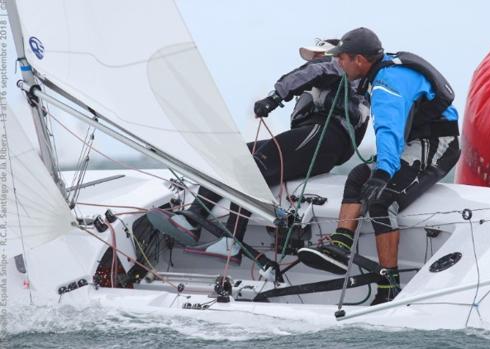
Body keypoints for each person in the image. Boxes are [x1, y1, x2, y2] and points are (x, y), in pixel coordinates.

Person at [297, 28, 461, 305]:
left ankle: (389, 285)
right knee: (359, 175)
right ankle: (341, 245)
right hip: (415, 142)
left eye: (343, 59)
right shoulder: (383, 70)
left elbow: (389, 130)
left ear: (360, 60)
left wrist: (384, 172)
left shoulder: (387, 84)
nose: (339, 64)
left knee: (382, 201)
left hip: (437, 145)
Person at [175, 38, 370, 264]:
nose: (313, 61)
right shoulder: (327, 80)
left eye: (318, 55)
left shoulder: (337, 68)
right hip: (314, 138)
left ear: (334, 56)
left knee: (253, 167)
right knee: (235, 155)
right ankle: (195, 216)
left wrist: (274, 98)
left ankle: (232, 242)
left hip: (324, 138)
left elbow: (313, 72)